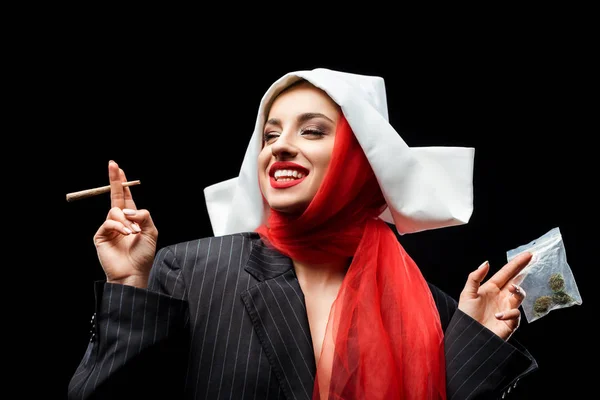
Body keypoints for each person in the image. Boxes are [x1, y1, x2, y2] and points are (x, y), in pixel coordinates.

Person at [67, 68, 537, 400]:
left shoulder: (432, 308)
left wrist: (475, 339)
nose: (281, 146)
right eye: (269, 136)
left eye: (312, 131)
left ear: (360, 158)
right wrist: (129, 285)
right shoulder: (190, 271)